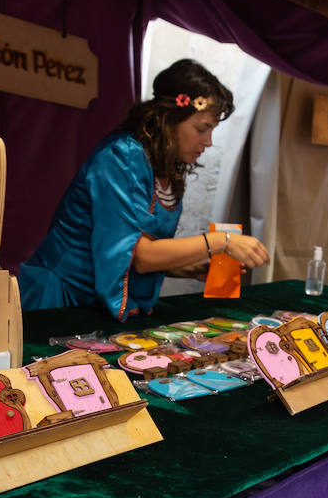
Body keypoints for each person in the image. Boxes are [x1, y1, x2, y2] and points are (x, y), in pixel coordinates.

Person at [18, 59, 269, 320]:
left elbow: (144, 251)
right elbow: (141, 256)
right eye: (201, 128)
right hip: (64, 300)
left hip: (100, 305)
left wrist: (189, 268)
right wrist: (220, 242)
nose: (208, 141)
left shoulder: (165, 169)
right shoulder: (122, 157)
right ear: (169, 119)